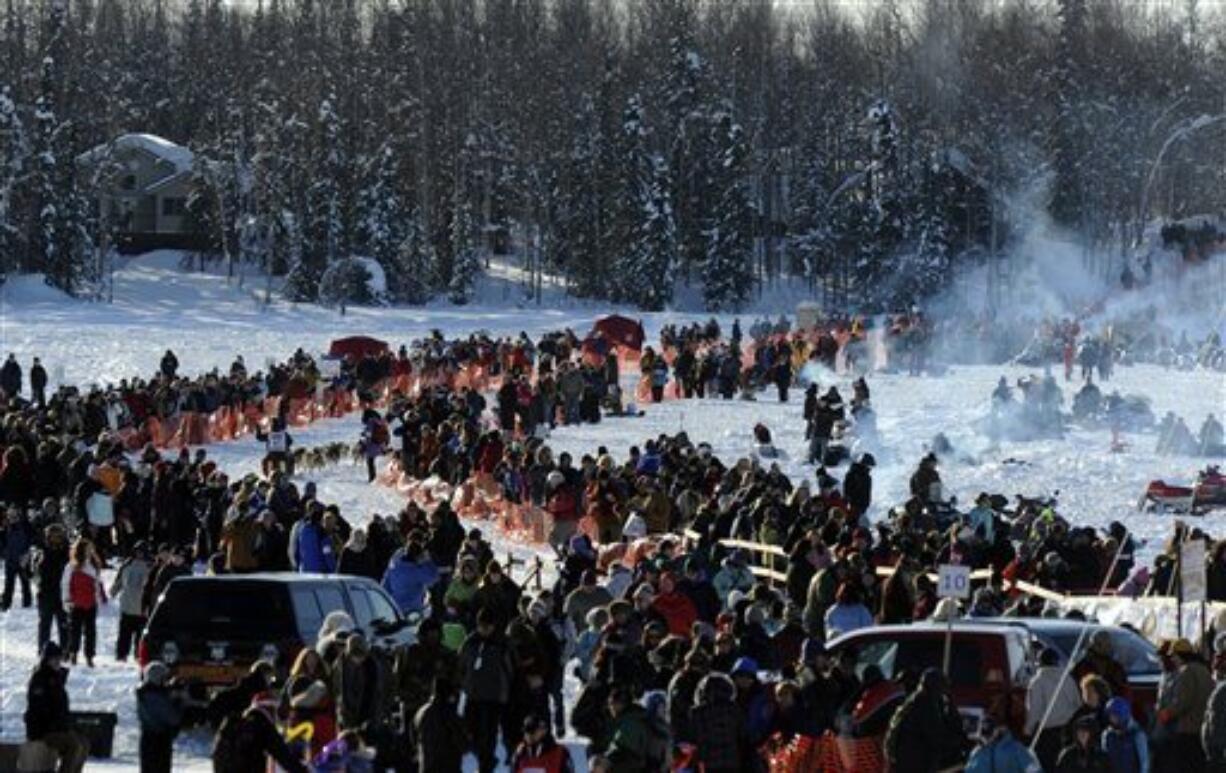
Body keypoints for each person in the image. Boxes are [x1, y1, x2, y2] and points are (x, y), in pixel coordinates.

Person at [461, 607, 515, 773]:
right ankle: (486, 759)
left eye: (488, 626)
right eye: (482, 626)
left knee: (489, 735)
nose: (484, 629)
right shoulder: (470, 642)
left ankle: (485, 765)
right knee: (470, 733)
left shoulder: (503, 643)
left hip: (494, 696)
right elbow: (461, 664)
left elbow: (512, 669)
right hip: (473, 694)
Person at [24, 641, 88, 773]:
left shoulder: (56, 678)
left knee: (84, 743)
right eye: (54, 659)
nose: (58, 662)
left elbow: (60, 708)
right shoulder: (40, 679)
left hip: (57, 728)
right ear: (46, 660)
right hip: (42, 731)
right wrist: (57, 725)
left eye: (59, 659)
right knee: (73, 745)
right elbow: (39, 709)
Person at [1161, 637, 1213, 769]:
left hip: (1188, 729)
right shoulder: (1204, 670)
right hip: (1202, 728)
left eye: (1174, 656)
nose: (1172, 659)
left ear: (1180, 655)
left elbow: (1182, 702)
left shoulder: (1186, 672)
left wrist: (1167, 713)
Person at [1026, 647, 1081, 769]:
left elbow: (1034, 710)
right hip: (1068, 730)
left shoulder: (1038, 681)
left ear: (1040, 662)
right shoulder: (1068, 679)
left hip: (1047, 734)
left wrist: (1028, 731)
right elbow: (1077, 703)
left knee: (1047, 765)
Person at [61, 538, 105, 667]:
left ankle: (89, 656)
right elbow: (65, 584)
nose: (89, 551)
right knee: (75, 631)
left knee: (91, 632)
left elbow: (96, 585)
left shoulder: (94, 566)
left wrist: (98, 600)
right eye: (86, 549)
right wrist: (66, 600)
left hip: (90, 603)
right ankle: (73, 653)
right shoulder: (71, 566)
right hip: (76, 603)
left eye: (90, 549)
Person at [137, 661, 185, 773]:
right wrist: (178, 702)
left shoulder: (146, 693)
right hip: (157, 742)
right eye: (164, 679)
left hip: (150, 740)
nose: (166, 682)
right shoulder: (154, 697)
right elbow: (174, 718)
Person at [414, 677, 468, 773]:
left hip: (426, 766)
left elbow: (414, 738)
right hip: (448, 767)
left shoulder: (420, 712)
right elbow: (462, 743)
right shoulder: (448, 713)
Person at [110, 542, 152, 661]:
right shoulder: (127, 565)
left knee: (141, 636)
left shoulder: (150, 567)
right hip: (127, 605)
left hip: (142, 608)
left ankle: (138, 655)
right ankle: (121, 655)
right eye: (137, 551)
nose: (139, 554)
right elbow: (119, 581)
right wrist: (114, 590)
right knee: (124, 635)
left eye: (142, 551)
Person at [35, 523, 70, 652]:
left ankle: (66, 651)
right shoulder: (42, 552)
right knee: (45, 624)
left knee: (64, 624)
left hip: (63, 593)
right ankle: (43, 650)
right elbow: (34, 573)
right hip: (46, 593)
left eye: (58, 537)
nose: (55, 539)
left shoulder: (67, 553)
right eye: (52, 537)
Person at [382, 540, 440, 616]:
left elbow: (384, 588)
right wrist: (428, 561)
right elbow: (434, 577)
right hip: (412, 613)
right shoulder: (417, 571)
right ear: (418, 556)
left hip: (394, 610)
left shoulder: (393, 568)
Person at [510, 714, 574, 773]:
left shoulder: (560, 753)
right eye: (526, 731)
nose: (528, 735)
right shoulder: (519, 753)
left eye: (532, 731)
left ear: (544, 731)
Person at [1102, 696, 1148, 773]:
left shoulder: (1137, 734)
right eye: (1110, 715)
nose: (1111, 719)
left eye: (1114, 715)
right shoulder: (1107, 734)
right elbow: (1104, 759)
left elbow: (1144, 762)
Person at [2, 506, 35, 610]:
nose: (12, 517)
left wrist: (27, 554)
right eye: (10, 515)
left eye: (14, 514)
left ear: (18, 514)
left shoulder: (25, 526)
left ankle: (27, 604)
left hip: (23, 560)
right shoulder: (4, 527)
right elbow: (2, 544)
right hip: (10, 560)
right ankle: (5, 604)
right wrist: (5, 554)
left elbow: (32, 540)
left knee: (25, 584)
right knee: (9, 585)